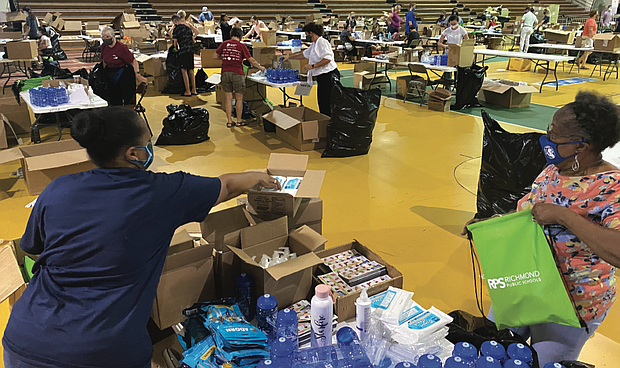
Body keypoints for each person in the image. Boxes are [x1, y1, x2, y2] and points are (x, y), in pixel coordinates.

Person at [1, 106, 281, 368]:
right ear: (133, 154)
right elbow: (229, 185)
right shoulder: (160, 193)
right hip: (101, 351)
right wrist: (258, 177)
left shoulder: (57, 189)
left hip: (24, 339)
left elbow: (33, 249)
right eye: (149, 142)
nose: (152, 147)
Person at [461, 91, 620, 366]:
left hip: (570, 305)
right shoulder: (554, 170)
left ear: (581, 146)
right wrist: (491, 224)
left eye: (554, 134)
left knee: (541, 363)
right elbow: (526, 213)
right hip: (524, 285)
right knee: (492, 350)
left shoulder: (612, 187)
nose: (547, 137)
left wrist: (563, 215)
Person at [283, 22, 339, 117]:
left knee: (326, 102)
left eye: (306, 34)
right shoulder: (314, 44)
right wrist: (289, 57)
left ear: (311, 33)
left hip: (329, 75)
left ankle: (328, 121)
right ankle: (325, 119)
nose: (306, 36)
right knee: (322, 101)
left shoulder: (322, 42)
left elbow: (328, 59)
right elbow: (304, 54)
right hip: (322, 76)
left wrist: (312, 66)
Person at [213, 27, 265, 128]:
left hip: (225, 72)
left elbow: (214, 56)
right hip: (237, 72)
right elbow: (251, 60)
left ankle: (229, 121)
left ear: (231, 35)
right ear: (240, 36)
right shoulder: (241, 45)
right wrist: (260, 67)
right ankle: (239, 121)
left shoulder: (224, 44)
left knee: (228, 98)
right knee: (239, 98)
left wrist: (225, 57)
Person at [100, 26, 147, 106]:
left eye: (107, 37)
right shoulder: (103, 47)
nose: (105, 39)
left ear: (113, 37)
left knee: (127, 97)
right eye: (103, 37)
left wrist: (137, 74)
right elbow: (103, 61)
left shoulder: (121, 48)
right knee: (112, 98)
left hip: (124, 74)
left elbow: (133, 61)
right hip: (110, 73)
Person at [172, 14, 199, 97]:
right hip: (191, 50)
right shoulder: (188, 28)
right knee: (191, 70)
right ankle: (194, 89)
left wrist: (176, 49)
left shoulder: (176, 29)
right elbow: (192, 40)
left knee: (184, 70)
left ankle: (187, 91)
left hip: (183, 51)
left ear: (175, 21)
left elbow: (175, 43)